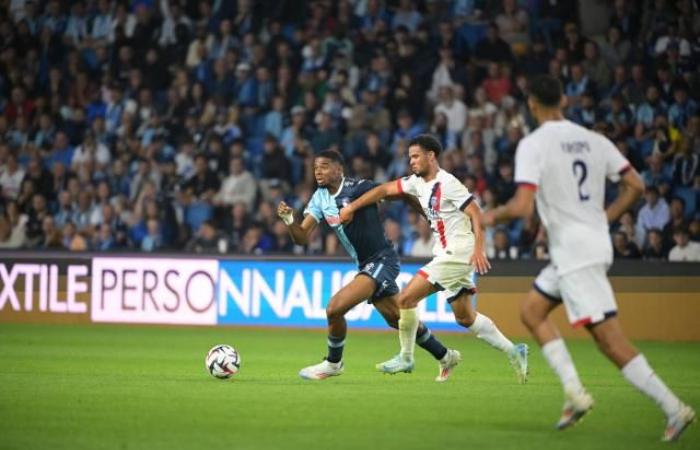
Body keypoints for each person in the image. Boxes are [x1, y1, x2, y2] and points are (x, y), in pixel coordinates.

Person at [482, 74, 695, 441]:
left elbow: (521, 207)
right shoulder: (595, 140)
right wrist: (604, 218)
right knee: (531, 310)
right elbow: (636, 185)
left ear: (532, 104)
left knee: (609, 341)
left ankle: (674, 408)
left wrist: (489, 216)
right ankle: (575, 394)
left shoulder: (533, 145)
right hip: (585, 246)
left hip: (575, 254)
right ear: (563, 100)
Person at [339, 135, 529, 382]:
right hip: (446, 253)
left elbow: (475, 212)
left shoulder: (448, 183)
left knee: (406, 299)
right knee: (464, 317)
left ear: (431, 156)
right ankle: (515, 351)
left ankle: (406, 357)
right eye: (409, 158)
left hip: (458, 251)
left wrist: (479, 248)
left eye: (416, 156)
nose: (412, 162)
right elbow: (385, 189)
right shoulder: (417, 183)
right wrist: (352, 207)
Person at [277, 150, 459, 381]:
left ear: (338, 169)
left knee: (334, 308)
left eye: (323, 166)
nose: (318, 172)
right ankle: (446, 356)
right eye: (315, 168)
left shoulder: (359, 187)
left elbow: (400, 194)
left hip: (382, 259)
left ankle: (333, 363)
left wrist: (429, 217)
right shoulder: (319, 198)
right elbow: (302, 237)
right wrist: (289, 220)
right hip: (365, 264)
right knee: (397, 319)